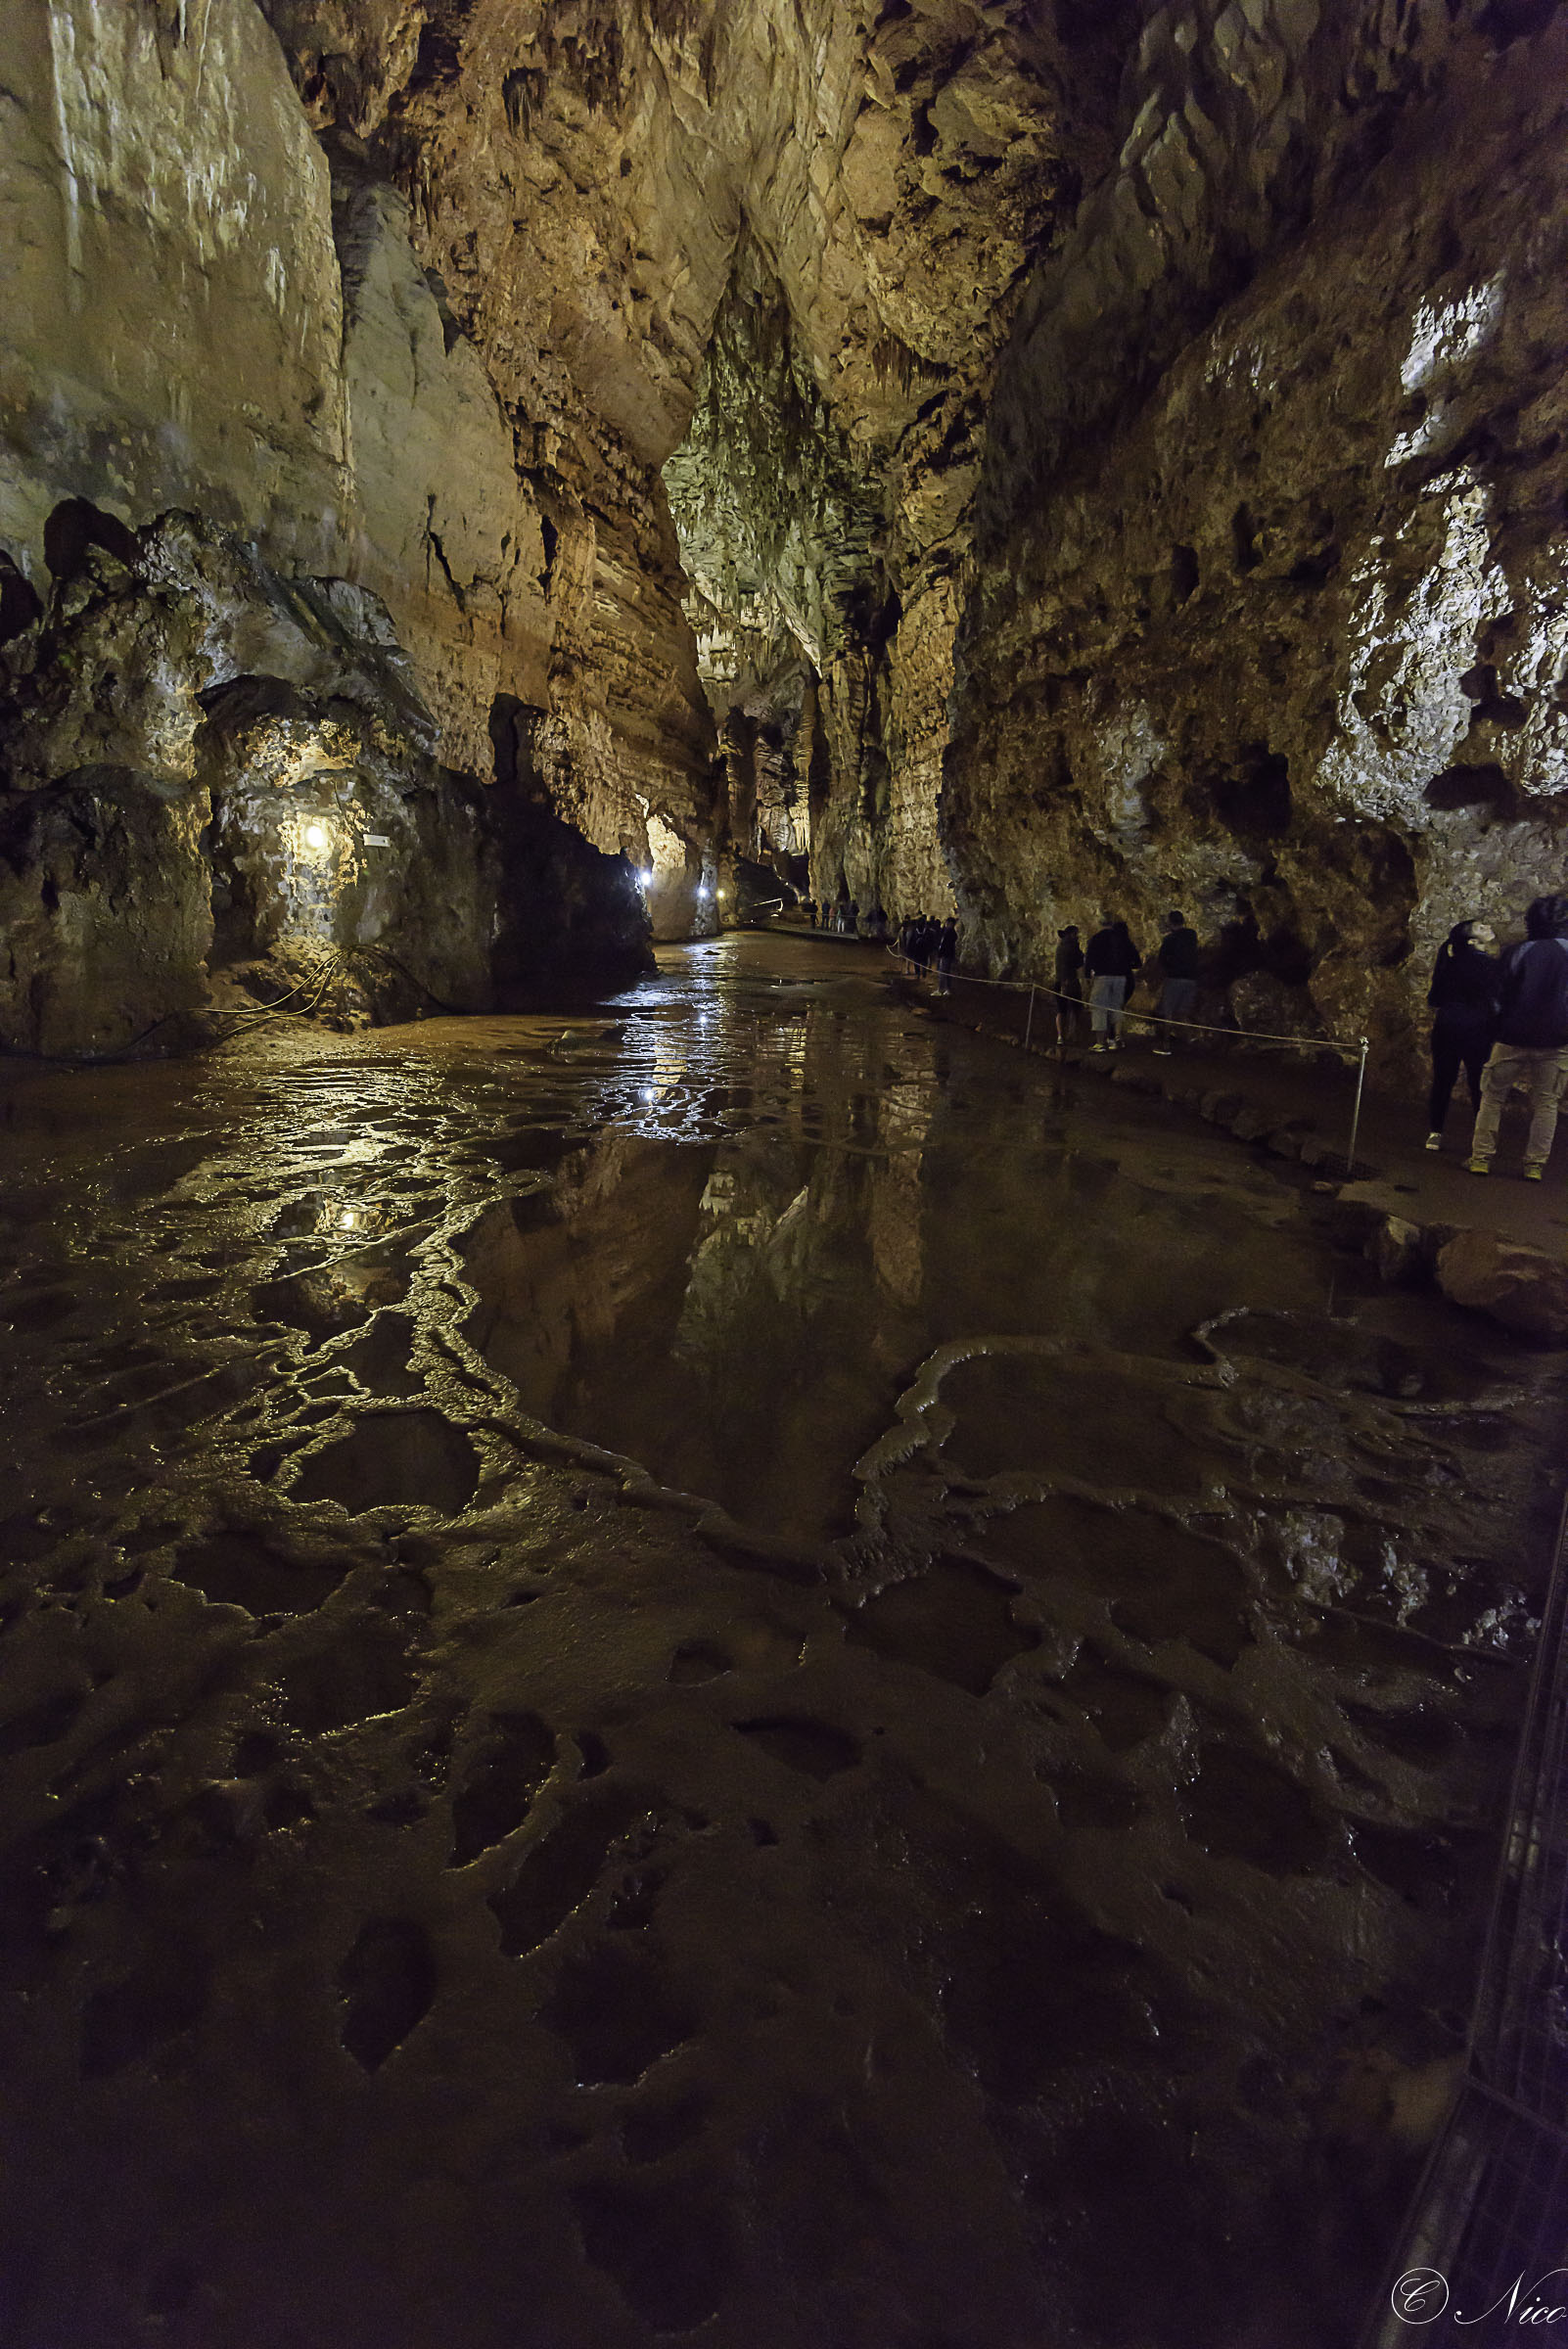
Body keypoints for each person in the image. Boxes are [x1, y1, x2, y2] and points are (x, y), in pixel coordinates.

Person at [1467, 894, 1568, 1179]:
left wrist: (1496, 1026)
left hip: (1511, 1037)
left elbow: (1495, 996)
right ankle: (1534, 1166)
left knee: (1493, 1097)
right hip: (1557, 1041)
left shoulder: (1517, 952)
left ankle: (1481, 1159)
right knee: (1547, 1103)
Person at [1425, 918, 1497, 1149]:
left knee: (1443, 1081)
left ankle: (1435, 1133)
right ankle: (1480, 1139)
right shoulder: (1489, 965)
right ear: (1473, 941)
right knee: (1479, 1085)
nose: (1488, 927)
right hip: (1477, 1030)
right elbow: (1496, 1001)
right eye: (1481, 928)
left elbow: (1434, 998)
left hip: (1447, 1026)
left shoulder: (1449, 962)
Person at [1084, 916, 1141, 1050]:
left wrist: (1087, 977)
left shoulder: (1096, 938)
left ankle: (1100, 1042)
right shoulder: (1123, 939)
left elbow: (1089, 959)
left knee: (1099, 1007)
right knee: (1116, 1007)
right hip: (1120, 978)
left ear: (1100, 924)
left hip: (1103, 977)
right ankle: (1116, 1039)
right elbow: (1137, 961)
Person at [1153, 909, 1200, 1054]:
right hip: (1191, 979)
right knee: (1183, 1013)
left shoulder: (1169, 940)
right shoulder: (1192, 935)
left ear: (1170, 923)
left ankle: (1165, 1045)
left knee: (1168, 1013)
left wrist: (1168, 969)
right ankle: (1189, 1043)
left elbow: (1161, 960)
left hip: (1174, 978)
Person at [1053, 925, 1084, 1048]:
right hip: (1070, 982)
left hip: (1058, 981)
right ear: (1072, 934)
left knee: (1061, 1010)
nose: (1077, 937)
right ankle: (1072, 1035)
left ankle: (1060, 1036)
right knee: (1075, 1008)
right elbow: (1079, 963)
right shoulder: (1073, 946)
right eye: (1076, 934)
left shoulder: (1060, 946)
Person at [935, 917, 957, 994]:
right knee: (947, 972)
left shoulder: (949, 933)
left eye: (947, 923)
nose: (946, 924)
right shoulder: (951, 932)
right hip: (949, 955)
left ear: (951, 923)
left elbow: (944, 945)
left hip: (946, 955)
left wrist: (940, 954)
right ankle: (948, 989)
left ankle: (941, 989)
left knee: (942, 972)